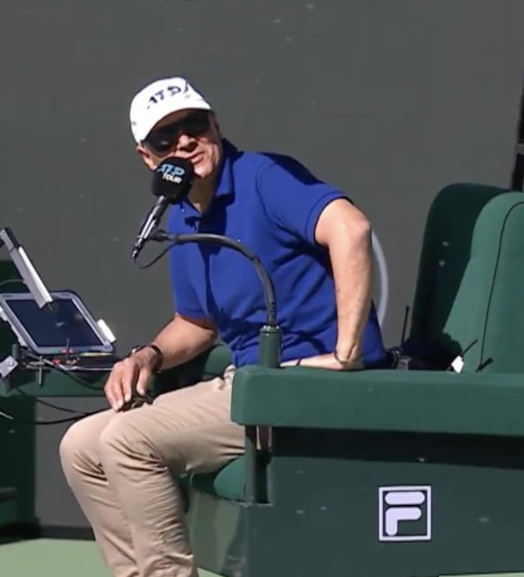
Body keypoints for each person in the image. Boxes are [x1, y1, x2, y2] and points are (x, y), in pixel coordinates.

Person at [58, 75, 389, 577]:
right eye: (165, 139)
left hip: (306, 384)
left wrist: (347, 353)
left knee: (127, 441)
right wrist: (147, 355)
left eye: (193, 125)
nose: (185, 142)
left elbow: (351, 228)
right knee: (80, 447)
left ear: (215, 124)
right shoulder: (182, 216)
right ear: (148, 157)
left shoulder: (263, 176)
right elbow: (196, 324)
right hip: (250, 384)